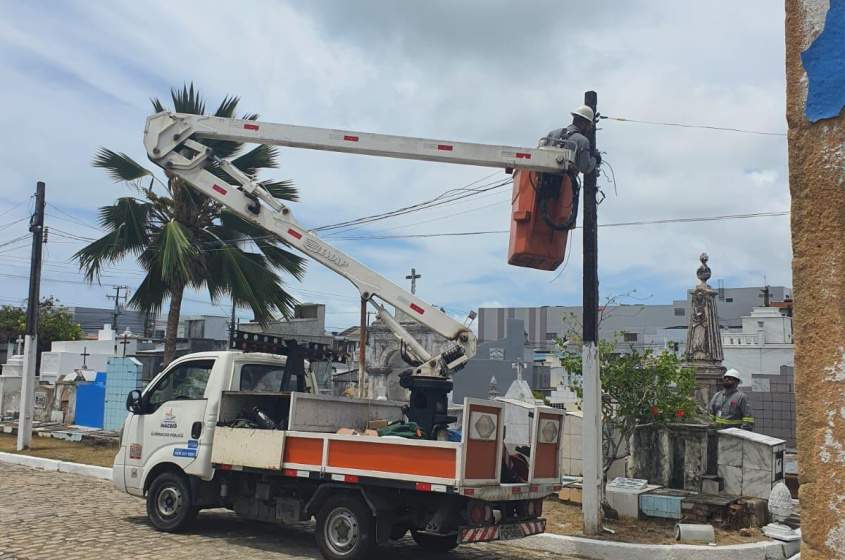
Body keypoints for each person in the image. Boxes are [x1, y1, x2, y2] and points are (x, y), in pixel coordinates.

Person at [539, 105, 600, 174]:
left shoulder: (552, 133)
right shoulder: (582, 141)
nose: (588, 129)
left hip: (542, 179)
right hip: (563, 182)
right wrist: (595, 159)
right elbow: (585, 168)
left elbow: (540, 154)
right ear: (584, 123)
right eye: (588, 125)